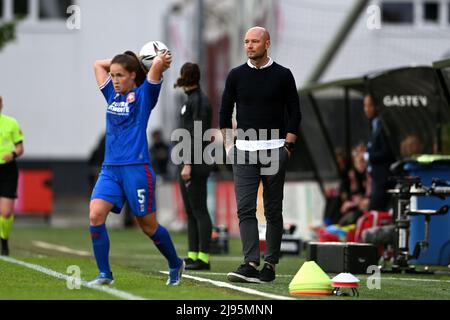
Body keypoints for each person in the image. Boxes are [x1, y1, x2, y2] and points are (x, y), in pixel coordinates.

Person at [90, 49, 185, 286]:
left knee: (148, 226)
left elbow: (156, 68)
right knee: (95, 215)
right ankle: (105, 274)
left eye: (120, 75)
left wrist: (155, 62)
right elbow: (97, 65)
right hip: (110, 169)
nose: (114, 80)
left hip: (136, 169)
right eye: (113, 75)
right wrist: (122, 62)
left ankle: (175, 263)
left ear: (134, 75)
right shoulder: (112, 94)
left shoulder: (144, 96)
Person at [219, 27, 301, 283]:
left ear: (267, 43)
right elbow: (224, 112)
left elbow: (295, 113)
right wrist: (229, 147)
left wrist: (287, 146)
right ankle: (251, 262)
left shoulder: (283, 75)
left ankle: (271, 265)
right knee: (245, 209)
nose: (249, 45)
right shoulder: (236, 75)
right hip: (243, 151)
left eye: (254, 41)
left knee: (273, 210)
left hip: (275, 149)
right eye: (246, 42)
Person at [174, 62, 213, 270]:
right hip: (188, 161)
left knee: (199, 209)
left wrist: (188, 163)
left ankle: (204, 258)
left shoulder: (199, 101)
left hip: (196, 162)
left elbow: (196, 134)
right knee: (191, 210)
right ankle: (193, 254)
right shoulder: (190, 99)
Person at [0, 96, 24, 256]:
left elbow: (20, 147)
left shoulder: (11, 123)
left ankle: (4, 240)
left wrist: (13, 153)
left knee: (6, 212)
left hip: (7, 170)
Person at [363, 95, 396, 212]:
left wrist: (369, 156)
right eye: (365, 106)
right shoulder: (374, 125)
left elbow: (387, 151)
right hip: (377, 180)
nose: (366, 109)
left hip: (383, 180)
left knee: (374, 211)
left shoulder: (383, 126)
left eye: (369, 105)